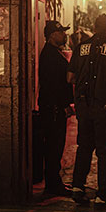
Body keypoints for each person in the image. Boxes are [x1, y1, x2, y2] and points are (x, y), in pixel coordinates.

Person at [67, 14, 106, 209]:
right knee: (105, 150)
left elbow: (70, 78)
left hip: (84, 107)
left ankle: (77, 186)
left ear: (94, 27)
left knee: (84, 147)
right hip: (104, 107)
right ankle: (103, 195)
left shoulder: (81, 48)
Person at [37, 20, 74, 197]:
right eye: (61, 32)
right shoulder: (50, 56)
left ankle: (54, 182)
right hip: (53, 109)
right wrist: (63, 105)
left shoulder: (53, 53)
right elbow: (55, 86)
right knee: (54, 146)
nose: (65, 35)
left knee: (55, 146)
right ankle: (52, 184)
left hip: (53, 107)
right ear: (52, 35)